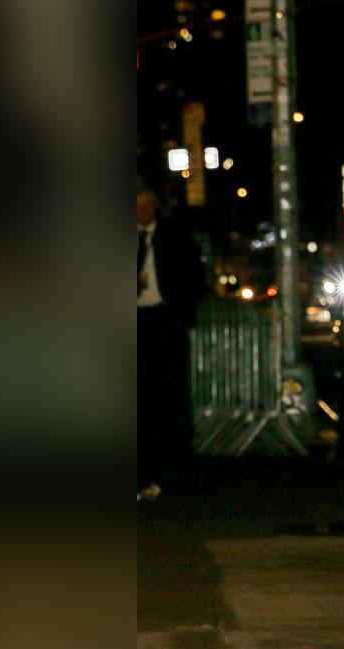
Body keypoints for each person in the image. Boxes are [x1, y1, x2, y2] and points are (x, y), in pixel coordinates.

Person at [136, 178, 203, 500]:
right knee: (142, 392)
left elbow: (191, 274)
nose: (142, 212)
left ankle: (175, 462)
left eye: (147, 206)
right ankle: (147, 460)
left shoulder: (174, 235)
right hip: (137, 319)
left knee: (172, 389)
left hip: (166, 318)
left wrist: (182, 312)